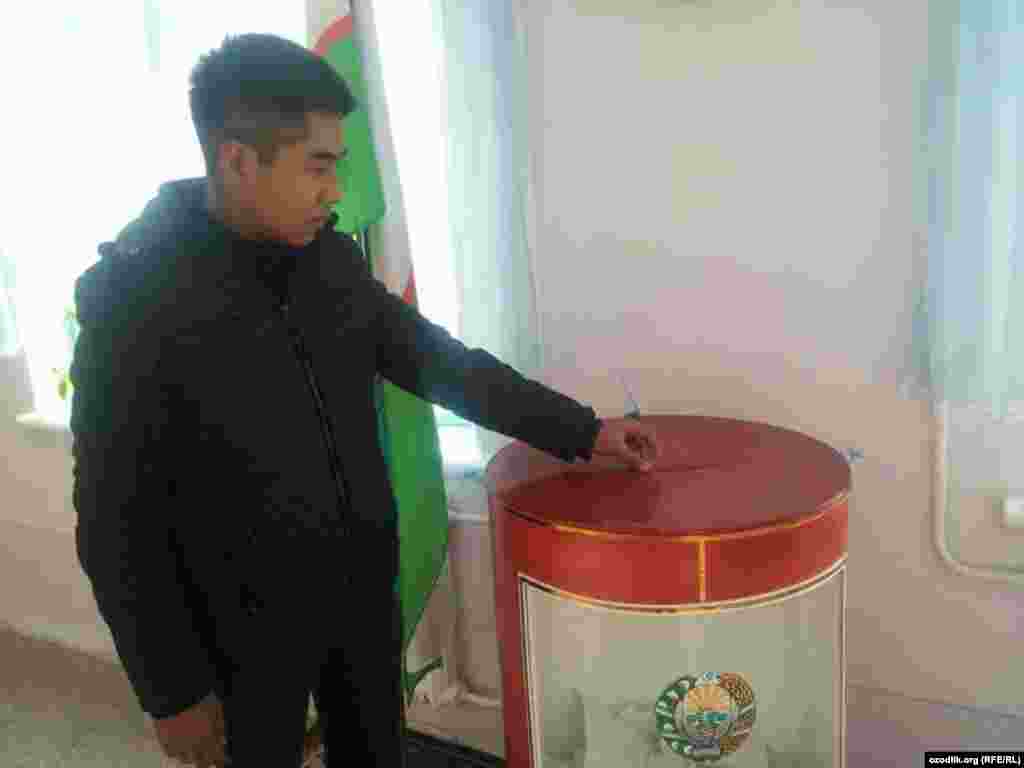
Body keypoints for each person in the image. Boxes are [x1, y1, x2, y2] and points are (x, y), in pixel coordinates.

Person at [69, 33, 660, 768]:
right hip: (237, 627)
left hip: (358, 597)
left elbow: (438, 361)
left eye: (339, 165)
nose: (335, 191)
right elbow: (112, 517)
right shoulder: (134, 296)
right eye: (318, 166)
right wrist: (171, 691)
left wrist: (583, 430)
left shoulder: (327, 260)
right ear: (238, 161)